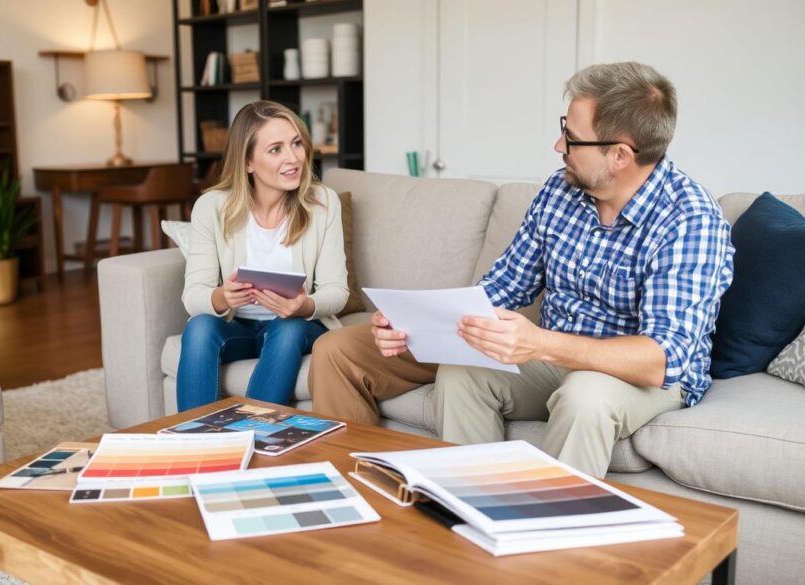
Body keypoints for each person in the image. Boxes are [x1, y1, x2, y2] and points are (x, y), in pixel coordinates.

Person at [308, 62, 734, 478]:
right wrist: (414, 321)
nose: (558, 145)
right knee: (462, 373)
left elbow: (662, 359)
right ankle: (468, 505)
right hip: (553, 357)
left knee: (585, 397)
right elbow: (506, 284)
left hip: (642, 376)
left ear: (620, 155)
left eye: (572, 137)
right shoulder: (561, 190)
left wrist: (541, 343)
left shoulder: (689, 219)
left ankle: (549, 523)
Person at [177, 100, 349, 411]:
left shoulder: (323, 203)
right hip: (239, 328)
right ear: (247, 162)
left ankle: (254, 429)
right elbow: (193, 296)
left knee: (288, 326)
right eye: (275, 149)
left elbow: (337, 291)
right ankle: (192, 436)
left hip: (295, 327)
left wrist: (304, 305)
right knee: (200, 327)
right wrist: (223, 296)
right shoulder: (211, 207)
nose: (293, 158)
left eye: (296, 143)